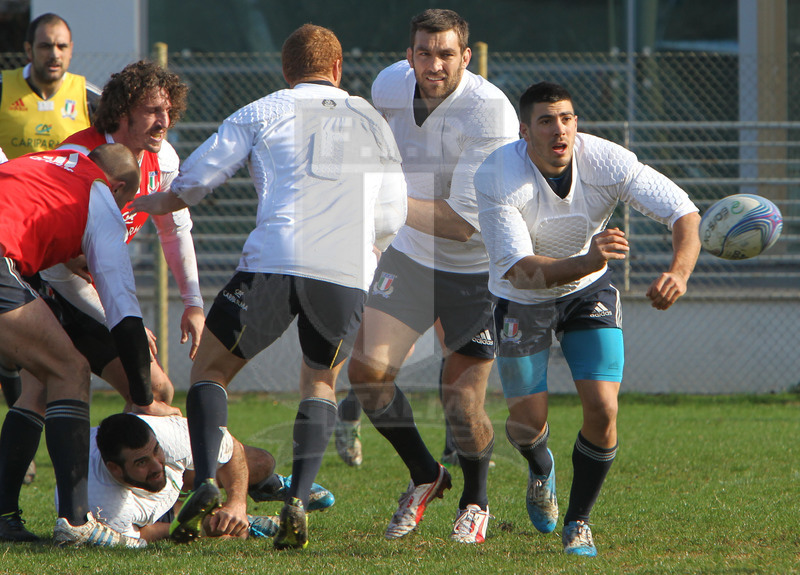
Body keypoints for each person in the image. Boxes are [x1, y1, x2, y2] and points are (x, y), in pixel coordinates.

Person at [129, 24, 406, 550]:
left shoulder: (264, 108)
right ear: (339, 69)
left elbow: (197, 180)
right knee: (320, 382)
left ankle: (208, 476)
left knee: (210, 370)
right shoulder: (372, 120)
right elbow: (393, 210)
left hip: (274, 264)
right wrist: (364, 258)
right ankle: (297, 498)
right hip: (343, 273)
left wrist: (145, 201)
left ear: (285, 71)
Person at [474, 81, 701, 556]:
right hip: (522, 296)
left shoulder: (607, 161)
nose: (560, 130)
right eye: (546, 120)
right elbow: (523, 270)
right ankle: (541, 469)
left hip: (586, 292)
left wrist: (678, 273)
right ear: (524, 130)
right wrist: (589, 259)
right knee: (525, 422)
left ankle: (578, 521)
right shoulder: (498, 175)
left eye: (568, 118)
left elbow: (683, 211)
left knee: (603, 407)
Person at [346, 8, 518, 545]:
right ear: (409, 55)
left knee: (461, 403)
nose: (434, 64)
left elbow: (463, 225)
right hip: (410, 256)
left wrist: (375, 197)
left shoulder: (490, 112)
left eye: (446, 54)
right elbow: (371, 150)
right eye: (424, 52)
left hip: (474, 268)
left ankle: (476, 501)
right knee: (367, 376)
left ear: (466, 56)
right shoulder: (388, 85)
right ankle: (427, 475)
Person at [0, 143, 175, 547]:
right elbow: (123, 311)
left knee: (47, 376)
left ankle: (6, 514)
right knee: (69, 370)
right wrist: (143, 394)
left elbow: (61, 279)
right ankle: (76, 523)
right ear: (116, 189)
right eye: (126, 203)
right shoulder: (101, 201)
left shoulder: (53, 161)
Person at [75, 413, 334, 544]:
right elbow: (142, 534)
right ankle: (250, 525)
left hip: (181, 477)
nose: (156, 465)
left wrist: (236, 503)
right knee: (209, 529)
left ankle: (269, 485)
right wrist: (202, 527)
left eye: (156, 451)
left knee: (261, 462)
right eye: (142, 462)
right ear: (115, 469)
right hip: (152, 511)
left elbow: (229, 447)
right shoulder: (104, 505)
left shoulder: (168, 435)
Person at [0, 13, 100, 160]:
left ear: (71, 49)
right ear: (29, 49)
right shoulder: (3, 89)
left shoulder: (90, 99)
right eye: (45, 46)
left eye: (62, 46)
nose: (54, 54)